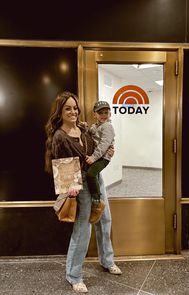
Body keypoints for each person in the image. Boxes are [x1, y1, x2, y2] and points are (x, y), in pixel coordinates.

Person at [45, 91, 122, 293]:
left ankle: (107, 260)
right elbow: (62, 167)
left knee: (105, 219)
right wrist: (71, 189)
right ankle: (74, 275)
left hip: (96, 179)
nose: (73, 111)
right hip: (80, 186)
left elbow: (98, 147)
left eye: (75, 108)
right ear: (60, 112)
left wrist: (108, 152)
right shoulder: (60, 136)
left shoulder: (82, 128)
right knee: (83, 231)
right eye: (68, 108)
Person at [85, 100, 115, 224]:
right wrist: (84, 127)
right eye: (100, 113)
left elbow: (103, 145)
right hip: (98, 156)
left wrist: (93, 158)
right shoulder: (96, 126)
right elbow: (89, 134)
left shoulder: (108, 126)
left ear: (110, 114)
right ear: (95, 115)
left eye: (106, 112)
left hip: (103, 158)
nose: (103, 115)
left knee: (91, 174)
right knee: (94, 176)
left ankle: (96, 202)